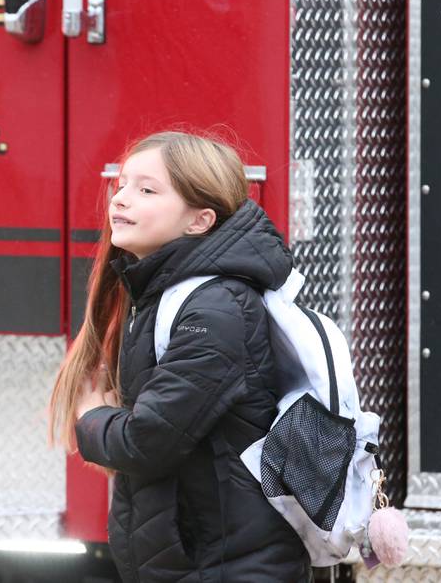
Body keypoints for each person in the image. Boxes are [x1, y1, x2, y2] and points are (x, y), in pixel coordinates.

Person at [48, 130, 312, 582]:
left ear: (199, 221)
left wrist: (92, 418)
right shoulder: (164, 293)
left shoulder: (215, 310)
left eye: (147, 190)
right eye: (122, 184)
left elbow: (146, 440)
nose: (122, 200)